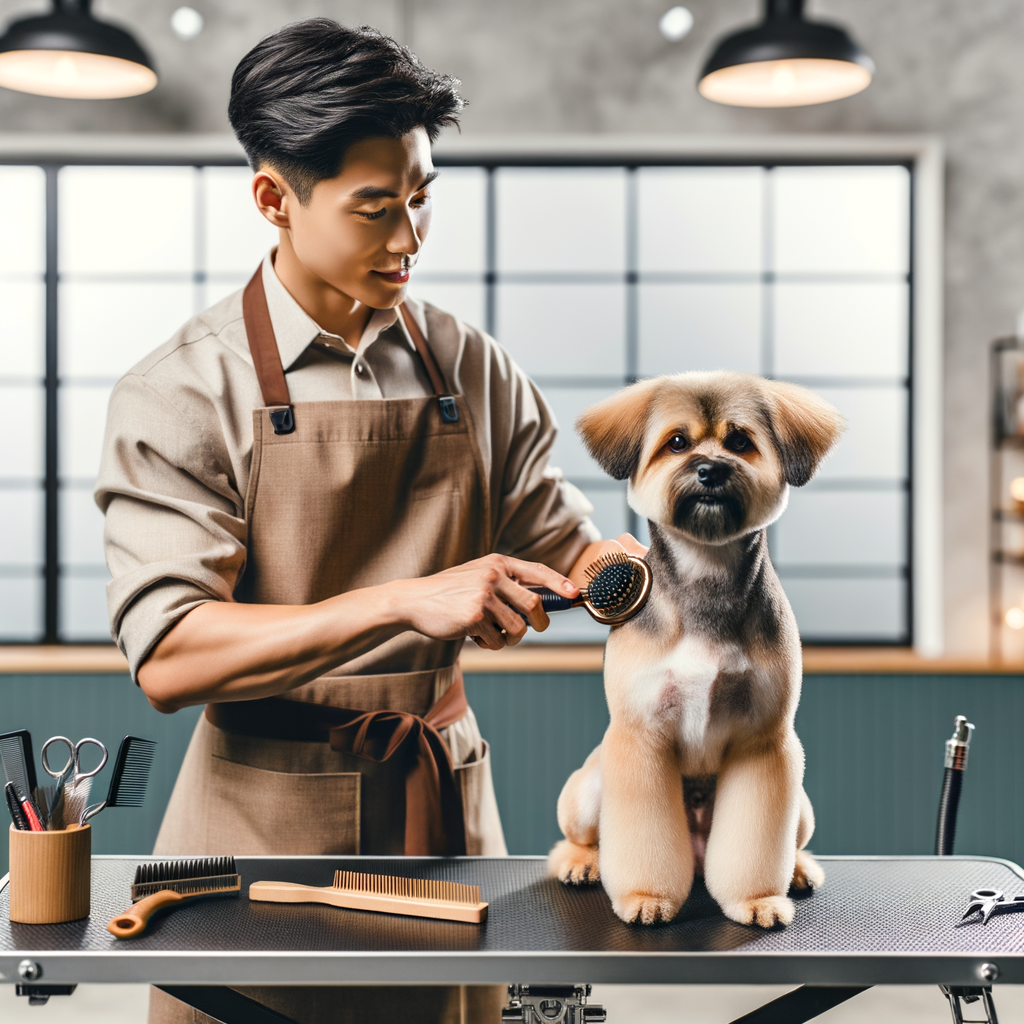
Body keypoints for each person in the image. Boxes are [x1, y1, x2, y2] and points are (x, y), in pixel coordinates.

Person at [96, 18, 641, 1024]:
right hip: (255, 836)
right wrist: (404, 600)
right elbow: (170, 654)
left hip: (442, 818)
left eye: (421, 199)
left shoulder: (470, 366)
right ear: (274, 198)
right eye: (374, 208)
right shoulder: (180, 389)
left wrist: (614, 568)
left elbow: (558, 535)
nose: (407, 239)